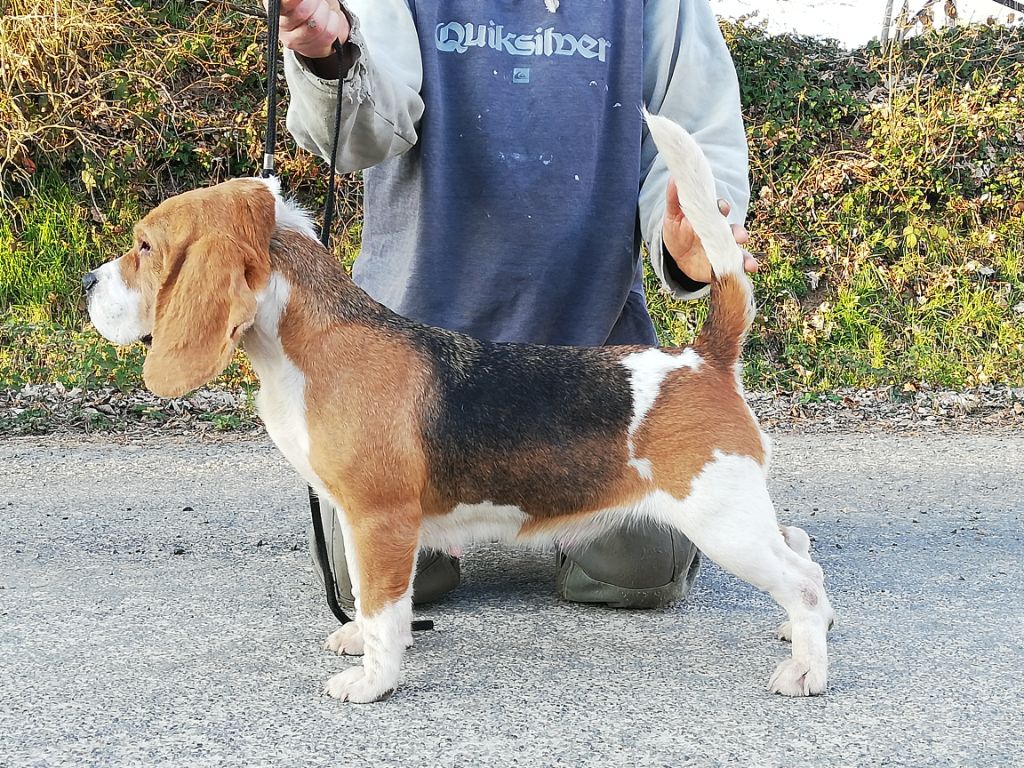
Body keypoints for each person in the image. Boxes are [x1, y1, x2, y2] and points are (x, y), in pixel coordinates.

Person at [277, 0, 758, 610]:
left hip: (590, 377)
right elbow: (360, 133)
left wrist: (687, 236)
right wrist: (332, 55)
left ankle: (548, 511)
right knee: (382, 579)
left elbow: (694, 132)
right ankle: (469, 512)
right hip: (408, 378)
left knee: (634, 573)